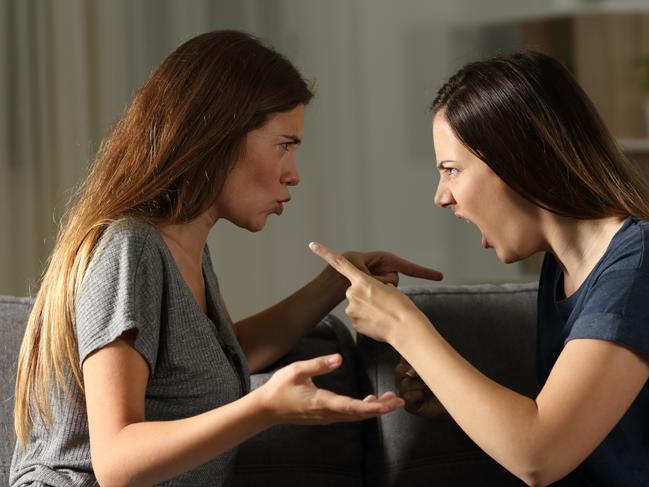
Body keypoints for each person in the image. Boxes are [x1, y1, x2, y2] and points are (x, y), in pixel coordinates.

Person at [10, 30, 445, 487]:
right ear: (218, 134)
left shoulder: (184, 250)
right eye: (284, 145)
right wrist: (262, 408)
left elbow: (215, 363)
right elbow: (117, 462)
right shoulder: (131, 249)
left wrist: (335, 282)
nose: (293, 174)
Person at [309, 50, 649, 486]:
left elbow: (539, 455)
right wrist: (457, 398)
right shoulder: (563, 270)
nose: (441, 196)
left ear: (520, 160)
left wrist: (403, 325)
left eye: (452, 170)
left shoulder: (636, 268)